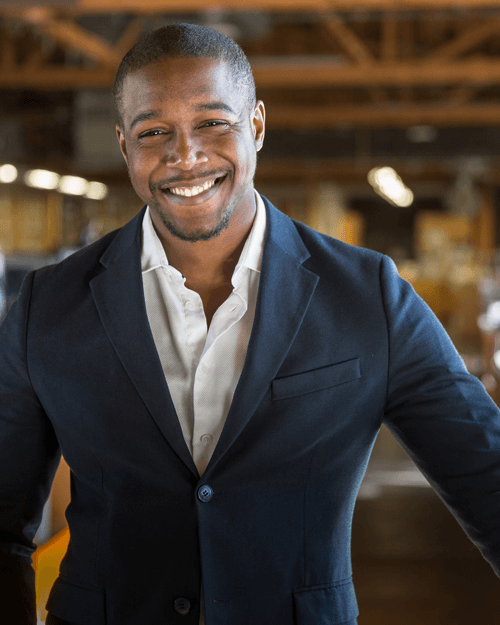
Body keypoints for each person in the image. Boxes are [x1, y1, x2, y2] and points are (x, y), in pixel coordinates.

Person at [1, 23, 499, 625]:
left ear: (256, 125)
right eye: (153, 131)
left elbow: (487, 478)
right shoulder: (48, 305)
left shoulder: (370, 297)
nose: (185, 155)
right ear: (124, 144)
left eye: (213, 122)